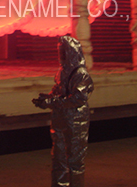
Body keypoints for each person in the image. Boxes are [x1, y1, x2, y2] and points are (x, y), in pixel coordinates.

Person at [33, 35, 94, 187]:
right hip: (61, 118)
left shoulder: (80, 74)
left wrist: (50, 102)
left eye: (63, 52)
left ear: (71, 52)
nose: (60, 55)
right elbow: (58, 91)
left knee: (74, 159)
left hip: (75, 120)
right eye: (60, 51)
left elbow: (77, 99)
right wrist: (46, 99)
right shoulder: (63, 71)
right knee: (59, 157)